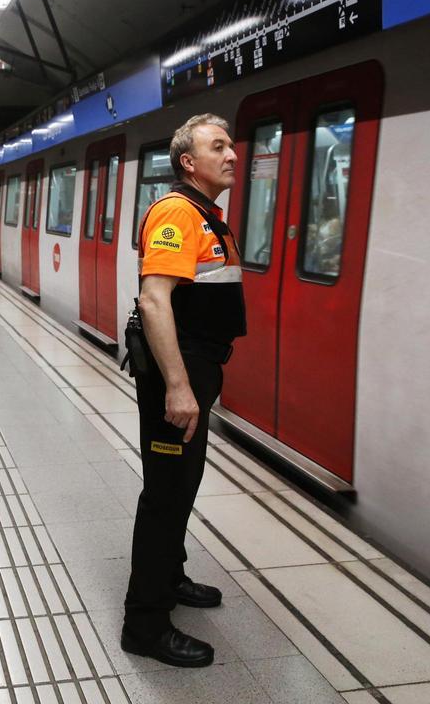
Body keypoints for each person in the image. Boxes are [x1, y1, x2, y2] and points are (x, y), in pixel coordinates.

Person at [121, 114, 246, 668]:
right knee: (167, 492)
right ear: (188, 163)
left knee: (182, 482)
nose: (233, 154)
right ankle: (144, 624)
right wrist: (178, 386)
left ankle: (169, 578)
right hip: (181, 371)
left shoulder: (206, 214)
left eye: (232, 144)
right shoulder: (177, 212)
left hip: (198, 366)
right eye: (217, 146)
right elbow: (154, 301)